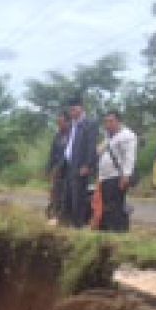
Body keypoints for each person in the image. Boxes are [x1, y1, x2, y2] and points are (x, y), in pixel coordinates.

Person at [62, 96, 99, 229]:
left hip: (80, 166)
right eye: (70, 110)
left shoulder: (89, 124)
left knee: (78, 198)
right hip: (69, 165)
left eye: (74, 109)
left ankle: (78, 226)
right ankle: (68, 224)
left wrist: (87, 165)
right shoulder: (73, 124)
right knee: (68, 197)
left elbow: (91, 146)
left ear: (81, 108)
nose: (72, 112)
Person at [98, 110, 138, 232]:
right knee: (107, 207)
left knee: (115, 207)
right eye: (106, 121)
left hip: (117, 177)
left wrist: (125, 176)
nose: (108, 124)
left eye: (111, 121)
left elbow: (129, 157)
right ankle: (109, 231)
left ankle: (118, 231)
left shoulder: (127, 135)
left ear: (119, 122)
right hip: (105, 178)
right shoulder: (109, 137)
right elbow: (99, 152)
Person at [45, 111, 70, 225]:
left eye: (61, 122)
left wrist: (59, 167)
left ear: (67, 122)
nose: (59, 125)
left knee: (64, 195)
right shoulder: (57, 135)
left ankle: (62, 217)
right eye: (58, 123)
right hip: (56, 170)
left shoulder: (72, 136)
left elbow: (68, 155)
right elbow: (52, 153)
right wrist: (49, 168)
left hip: (67, 171)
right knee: (54, 193)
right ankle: (54, 215)